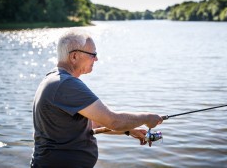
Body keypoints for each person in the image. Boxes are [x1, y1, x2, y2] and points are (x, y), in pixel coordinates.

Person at [31, 29, 163, 168]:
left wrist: (129, 129)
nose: (96, 59)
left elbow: (94, 123)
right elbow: (113, 120)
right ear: (74, 56)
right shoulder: (66, 84)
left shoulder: (55, 79)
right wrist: (147, 118)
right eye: (92, 54)